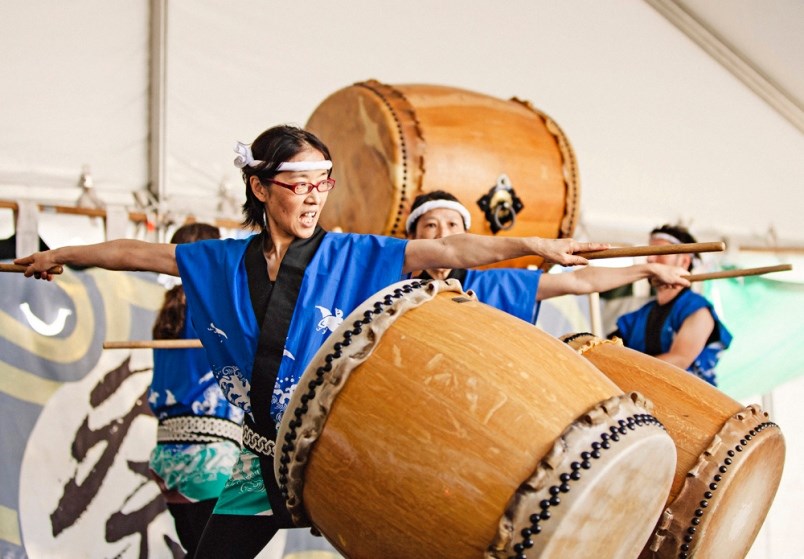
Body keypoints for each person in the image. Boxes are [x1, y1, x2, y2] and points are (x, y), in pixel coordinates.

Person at [15, 124, 608, 558]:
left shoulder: (353, 253)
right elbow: (136, 253)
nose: (314, 196)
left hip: (348, 447)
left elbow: (451, 252)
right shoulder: (222, 261)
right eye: (299, 183)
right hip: (264, 455)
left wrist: (536, 247)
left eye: (323, 183)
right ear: (261, 186)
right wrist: (64, 253)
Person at [405, 190, 692, 324]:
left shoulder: (489, 285)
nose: (443, 234)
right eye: (431, 225)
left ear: (469, 236)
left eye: (453, 225)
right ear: (412, 237)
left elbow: (579, 282)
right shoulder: (391, 282)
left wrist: (645, 269)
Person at [148, 222, 244, 558]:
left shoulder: (167, 315)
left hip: (169, 458)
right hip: (212, 459)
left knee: (199, 550)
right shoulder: (216, 312)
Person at [610, 224, 732, 386]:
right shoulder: (638, 317)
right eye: (648, 253)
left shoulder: (698, 310)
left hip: (690, 404)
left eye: (658, 252)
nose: (650, 259)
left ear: (684, 261)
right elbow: (610, 352)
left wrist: (623, 370)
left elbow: (679, 360)